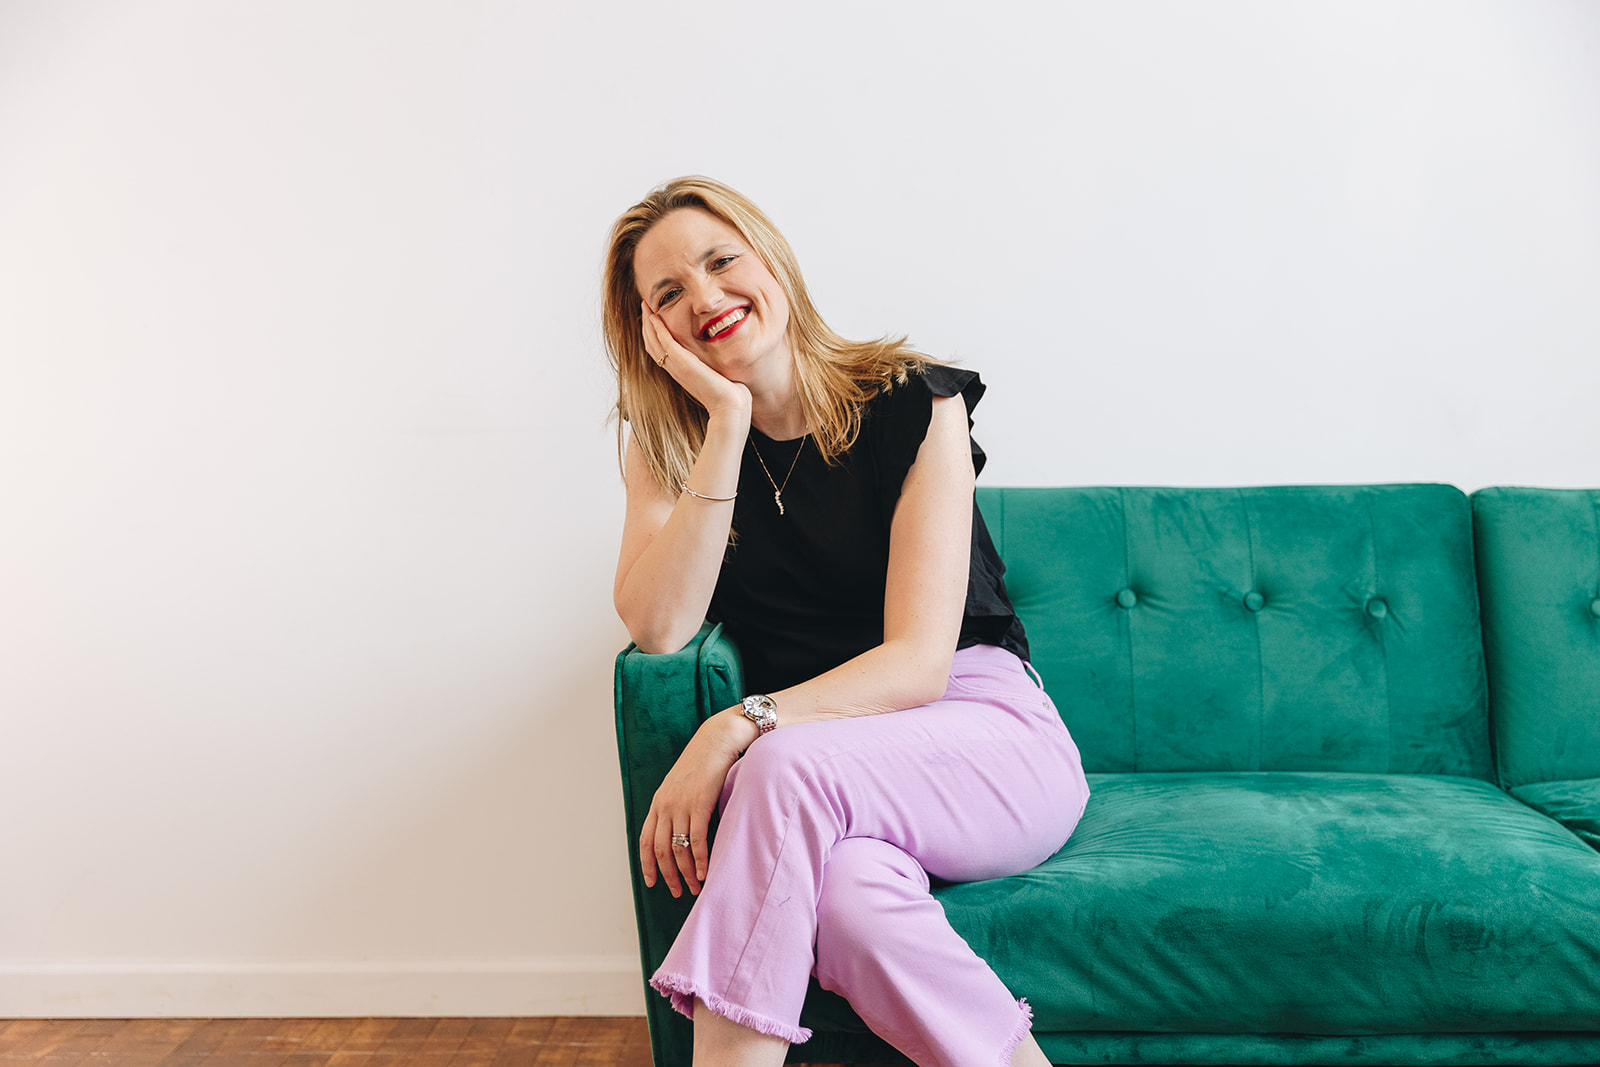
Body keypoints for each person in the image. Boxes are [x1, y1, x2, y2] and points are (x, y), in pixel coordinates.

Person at [603, 176, 1090, 1067]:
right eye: (668, 292)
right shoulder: (665, 441)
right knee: (853, 911)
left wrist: (735, 725)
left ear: (772, 260)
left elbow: (917, 665)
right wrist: (726, 419)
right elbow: (662, 626)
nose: (705, 297)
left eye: (720, 262)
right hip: (832, 775)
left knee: (776, 767)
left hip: (986, 736)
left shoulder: (916, 400)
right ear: (647, 329)